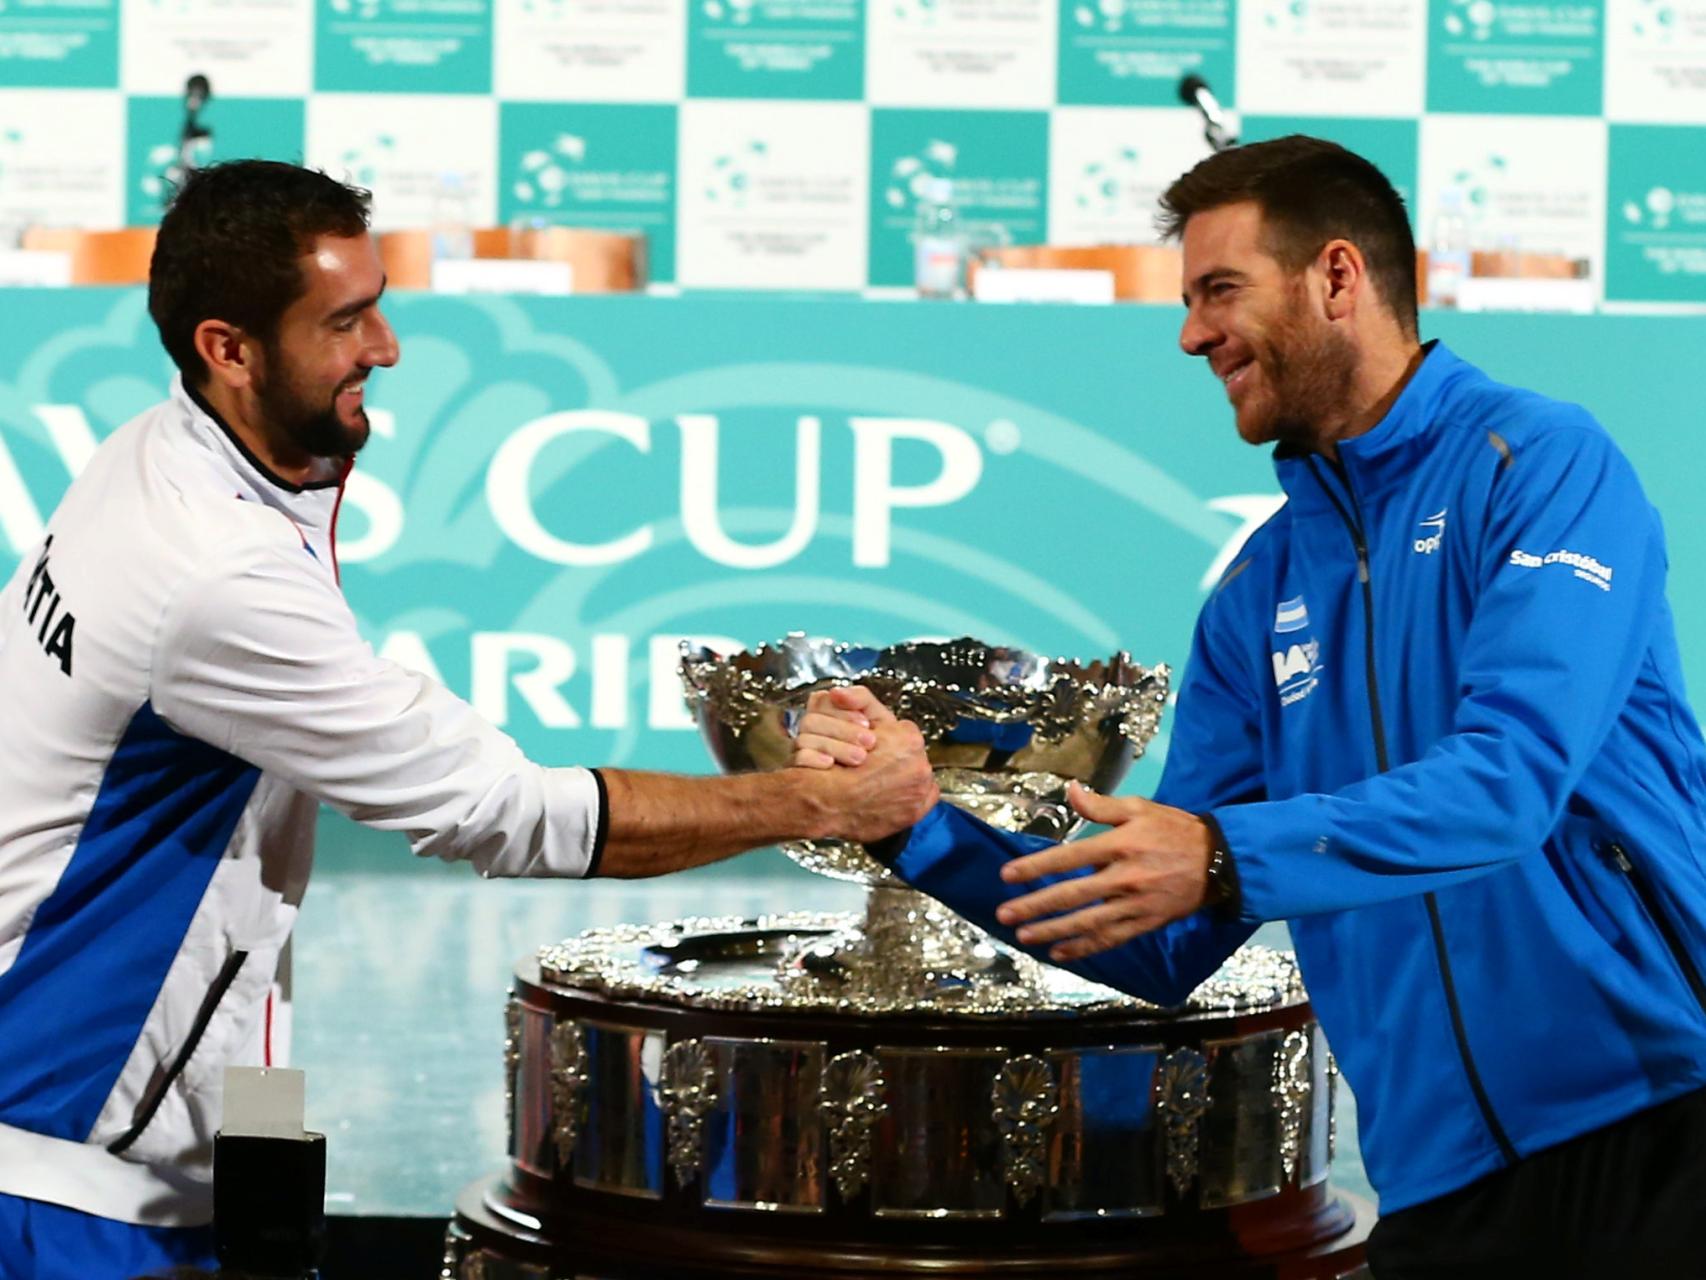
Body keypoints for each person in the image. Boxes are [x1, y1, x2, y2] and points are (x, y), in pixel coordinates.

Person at [0, 160, 937, 1280]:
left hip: (122, 1128)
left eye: (378, 302)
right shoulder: (210, 570)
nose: (385, 347)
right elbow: (503, 812)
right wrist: (815, 801)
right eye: (344, 320)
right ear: (228, 348)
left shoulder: (162, 454)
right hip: (69, 1173)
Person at [795, 135, 1706, 1277]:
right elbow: (1165, 931)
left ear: (1336, 277)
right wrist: (916, 824)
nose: (1190, 333)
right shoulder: (1254, 590)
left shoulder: (1539, 464)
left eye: (1218, 291)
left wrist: (1223, 851)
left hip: (1661, 1117)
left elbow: (1508, 782)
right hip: (1438, 1177)